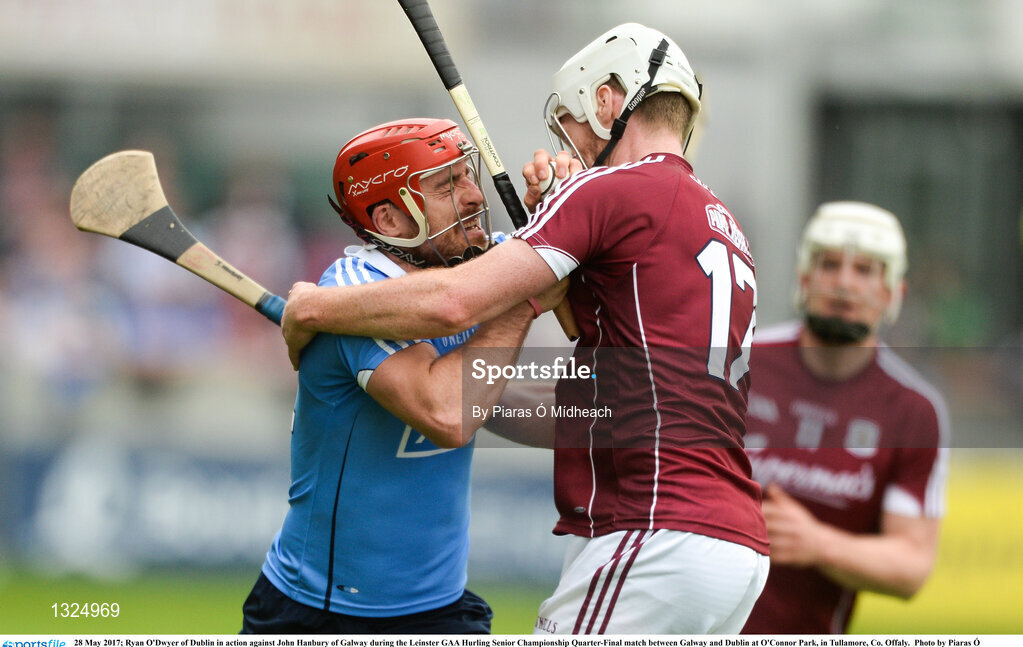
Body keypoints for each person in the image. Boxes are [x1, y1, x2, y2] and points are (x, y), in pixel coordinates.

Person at [281, 23, 769, 634]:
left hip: (657, 525)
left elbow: (456, 304)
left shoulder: (612, 190)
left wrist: (309, 309)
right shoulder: (718, 219)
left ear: (608, 101)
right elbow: (597, 390)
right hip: (736, 545)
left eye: (570, 120)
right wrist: (560, 245)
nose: (571, 145)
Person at [241, 117, 566, 634]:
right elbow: (449, 414)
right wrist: (522, 298)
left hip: (441, 610)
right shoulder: (354, 295)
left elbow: (489, 401)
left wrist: (564, 210)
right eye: (446, 185)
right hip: (323, 614)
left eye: (467, 175)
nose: (472, 196)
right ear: (391, 220)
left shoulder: (473, 269)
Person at [741, 201, 949, 634]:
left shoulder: (914, 411)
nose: (844, 284)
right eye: (830, 264)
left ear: (893, 292)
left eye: (867, 270)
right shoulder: (740, 361)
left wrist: (818, 544)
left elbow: (912, 565)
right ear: (804, 278)